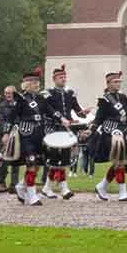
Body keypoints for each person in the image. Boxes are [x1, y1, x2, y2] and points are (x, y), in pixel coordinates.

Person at [90, 72, 127, 203]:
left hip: (123, 133)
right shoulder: (104, 100)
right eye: (115, 82)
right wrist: (90, 130)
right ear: (108, 84)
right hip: (110, 134)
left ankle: (102, 186)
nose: (118, 84)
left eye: (119, 82)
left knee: (120, 163)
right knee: (120, 161)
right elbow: (99, 118)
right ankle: (122, 192)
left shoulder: (123, 97)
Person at [41, 65, 87, 198]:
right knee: (56, 158)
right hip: (53, 128)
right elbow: (48, 110)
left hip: (65, 129)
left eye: (64, 77)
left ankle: (48, 188)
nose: (63, 79)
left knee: (62, 159)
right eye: (61, 77)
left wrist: (83, 113)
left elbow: (77, 110)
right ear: (54, 79)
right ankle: (63, 188)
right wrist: (61, 118)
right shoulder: (48, 93)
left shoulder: (70, 93)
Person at [8, 69, 48, 206]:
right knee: (31, 163)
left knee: (37, 166)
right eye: (34, 82)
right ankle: (32, 195)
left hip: (40, 134)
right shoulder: (20, 98)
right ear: (27, 84)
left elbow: (50, 111)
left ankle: (21, 186)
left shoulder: (41, 98)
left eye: (37, 82)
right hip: (26, 134)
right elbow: (12, 117)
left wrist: (63, 119)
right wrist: (6, 133)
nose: (37, 84)